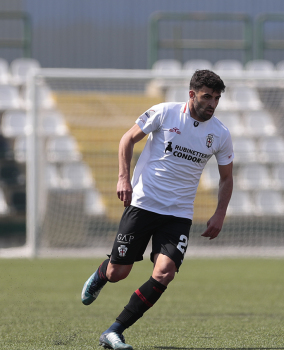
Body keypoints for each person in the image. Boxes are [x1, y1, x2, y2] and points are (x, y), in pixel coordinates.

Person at [81, 69, 234, 350]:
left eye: (217, 98)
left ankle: (115, 330)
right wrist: (123, 177)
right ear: (192, 94)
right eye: (207, 96)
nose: (212, 103)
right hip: (143, 204)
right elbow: (127, 139)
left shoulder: (220, 134)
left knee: (165, 271)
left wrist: (220, 213)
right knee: (119, 273)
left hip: (179, 214)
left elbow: (226, 178)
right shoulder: (165, 113)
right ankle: (102, 274)